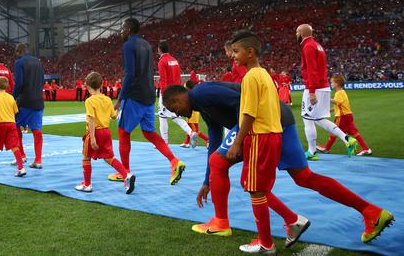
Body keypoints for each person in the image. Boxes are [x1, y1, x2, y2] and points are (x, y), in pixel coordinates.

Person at [162, 79, 394, 247]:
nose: (179, 114)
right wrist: (207, 181)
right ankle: (371, 211)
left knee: (236, 174)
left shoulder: (201, 93)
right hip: (281, 118)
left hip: (262, 124)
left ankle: (222, 222)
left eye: (175, 108)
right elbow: (214, 140)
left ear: (178, 97)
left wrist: (240, 138)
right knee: (304, 177)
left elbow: (242, 102)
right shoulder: (203, 105)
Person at [225, 31, 284, 253]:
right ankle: (289, 221)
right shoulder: (265, 74)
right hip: (273, 134)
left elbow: (249, 114)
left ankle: (266, 243)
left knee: (256, 190)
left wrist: (237, 143)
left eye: (236, 51)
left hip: (259, 136)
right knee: (257, 186)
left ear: (250, 52)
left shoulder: (250, 76)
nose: (233, 55)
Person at [108, 18, 185, 185]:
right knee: (149, 133)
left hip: (135, 95)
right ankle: (174, 161)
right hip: (149, 94)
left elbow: (129, 74)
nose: (121, 31)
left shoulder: (128, 45)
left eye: (123, 28)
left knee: (122, 131)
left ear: (129, 29)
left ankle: (125, 172)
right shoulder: (147, 45)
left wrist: (120, 99)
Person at [296, 24, 357, 160]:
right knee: (318, 119)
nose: (296, 35)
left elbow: (312, 70)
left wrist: (311, 92)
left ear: (301, 33)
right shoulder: (317, 46)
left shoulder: (308, 46)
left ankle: (312, 152)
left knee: (307, 119)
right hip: (323, 87)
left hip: (315, 88)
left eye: (296, 32)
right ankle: (347, 139)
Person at [76, 71, 135, 194]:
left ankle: (87, 184)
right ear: (101, 84)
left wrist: (92, 138)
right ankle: (126, 175)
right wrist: (118, 106)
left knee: (86, 157)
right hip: (106, 132)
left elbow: (91, 119)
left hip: (95, 132)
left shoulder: (89, 101)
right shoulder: (107, 99)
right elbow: (114, 116)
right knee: (109, 158)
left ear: (87, 85)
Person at [318, 75, 371, 156]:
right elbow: (339, 106)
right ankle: (366, 149)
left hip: (342, 117)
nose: (331, 84)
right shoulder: (342, 92)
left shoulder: (339, 93)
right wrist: (328, 110)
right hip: (347, 115)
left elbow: (337, 102)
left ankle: (327, 149)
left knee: (334, 131)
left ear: (337, 83)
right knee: (355, 133)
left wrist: (325, 98)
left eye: (332, 82)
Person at [156, 40, 196, 145]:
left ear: (159, 50)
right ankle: (191, 133)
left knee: (163, 116)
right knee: (173, 115)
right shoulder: (174, 60)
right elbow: (178, 77)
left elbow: (163, 80)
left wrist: (164, 95)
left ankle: (165, 142)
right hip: (175, 91)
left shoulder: (162, 61)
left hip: (167, 92)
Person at [12, 43, 45, 169]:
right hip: (38, 101)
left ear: (18, 52)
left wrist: (13, 97)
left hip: (24, 101)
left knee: (15, 126)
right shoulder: (38, 62)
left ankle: (22, 155)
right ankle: (38, 160)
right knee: (37, 131)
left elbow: (19, 83)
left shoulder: (19, 63)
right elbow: (42, 81)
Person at [179, 80, 208, 148]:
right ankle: (186, 142)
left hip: (191, 113)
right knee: (191, 128)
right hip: (195, 113)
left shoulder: (190, 94)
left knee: (192, 129)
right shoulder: (194, 92)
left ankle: (207, 139)